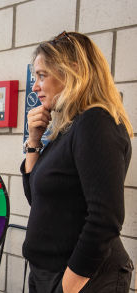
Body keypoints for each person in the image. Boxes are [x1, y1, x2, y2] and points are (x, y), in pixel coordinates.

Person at [22, 31, 134, 293]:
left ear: (72, 71)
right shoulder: (69, 128)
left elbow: (105, 219)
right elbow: (36, 199)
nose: (35, 86)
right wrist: (34, 141)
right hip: (49, 272)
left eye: (42, 75)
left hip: (82, 277)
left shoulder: (96, 122)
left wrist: (68, 286)